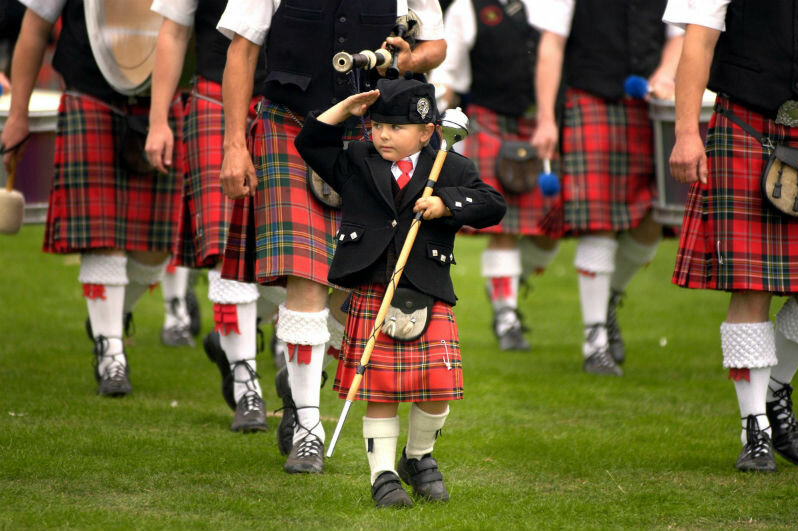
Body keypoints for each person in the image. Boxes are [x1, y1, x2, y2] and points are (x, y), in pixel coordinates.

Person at [216, 0, 446, 474]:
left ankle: (301, 370)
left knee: (360, 286)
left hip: (374, 132)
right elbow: (241, 50)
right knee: (307, 278)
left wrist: (403, 61)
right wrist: (235, 144)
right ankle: (307, 427)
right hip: (291, 126)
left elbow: (436, 45)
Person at [295, 78, 506, 507]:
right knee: (379, 392)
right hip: (374, 287)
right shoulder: (356, 158)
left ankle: (418, 456)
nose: (383, 135)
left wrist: (448, 204)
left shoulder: (450, 165)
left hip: (427, 290)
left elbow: (493, 205)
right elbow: (311, 141)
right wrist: (346, 107)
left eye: (396, 127)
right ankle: (383, 476)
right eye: (377, 126)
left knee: (438, 390)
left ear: (427, 131)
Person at [2, 1, 184, 397]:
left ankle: (110, 317)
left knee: (158, 249)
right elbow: (34, 28)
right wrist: (19, 115)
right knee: (101, 235)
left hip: (162, 99)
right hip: (89, 94)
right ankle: (110, 353)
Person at [665, 0, 798, 472]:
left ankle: (776, 387)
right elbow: (697, 43)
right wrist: (686, 132)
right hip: (747, 122)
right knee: (752, 287)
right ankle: (756, 426)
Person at [146, 0, 287, 433]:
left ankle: (259, 339)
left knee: (289, 250)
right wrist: (158, 121)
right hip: (213, 97)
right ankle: (246, 381)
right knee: (228, 249)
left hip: (290, 107)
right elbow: (172, 32)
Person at [531, 0, 683, 375]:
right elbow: (551, 45)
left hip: (650, 105)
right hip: (591, 101)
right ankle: (594, 340)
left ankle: (610, 296)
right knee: (598, 221)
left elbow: (681, 34)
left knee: (655, 218)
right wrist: (547, 120)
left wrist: (666, 73)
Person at [431, 0, 561, 352]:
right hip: (492, 123)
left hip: (547, 126)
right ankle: (506, 315)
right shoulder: (467, 8)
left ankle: (510, 280)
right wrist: (436, 118)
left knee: (553, 230)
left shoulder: (553, 5)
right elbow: (450, 74)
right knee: (505, 231)